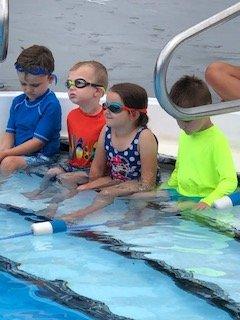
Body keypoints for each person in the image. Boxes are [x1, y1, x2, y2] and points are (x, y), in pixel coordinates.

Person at [61, 82, 160, 221]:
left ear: (134, 114)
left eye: (114, 108)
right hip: (115, 178)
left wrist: (114, 189)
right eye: (105, 106)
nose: (106, 111)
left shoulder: (144, 137)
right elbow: (97, 167)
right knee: (69, 179)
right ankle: (60, 206)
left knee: (107, 193)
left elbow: (148, 183)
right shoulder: (107, 130)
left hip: (136, 182)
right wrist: (91, 184)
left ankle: (79, 215)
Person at [25, 60, 108, 216]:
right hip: (74, 164)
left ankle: (52, 208)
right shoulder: (72, 116)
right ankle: (39, 193)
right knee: (51, 172)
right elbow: (73, 148)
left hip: (94, 170)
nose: (72, 88)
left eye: (79, 83)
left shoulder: (106, 121)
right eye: (69, 83)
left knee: (66, 179)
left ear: (98, 92)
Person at [165, 75, 238, 210]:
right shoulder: (185, 135)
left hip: (203, 199)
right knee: (140, 199)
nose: (182, 125)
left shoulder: (216, 140)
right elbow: (179, 170)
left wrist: (207, 201)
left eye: (187, 120)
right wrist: (165, 189)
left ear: (207, 109)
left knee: (165, 212)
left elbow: (230, 181)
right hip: (181, 195)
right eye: (178, 119)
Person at [0, 45, 61, 175]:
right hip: (19, 152)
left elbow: (37, 143)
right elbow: (10, 133)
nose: (28, 89)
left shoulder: (51, 105)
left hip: (43, 158)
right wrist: (2, 151)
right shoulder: (18, 102)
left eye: (34, 85)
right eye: (23, 84)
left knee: (8, 162)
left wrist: (5, 154)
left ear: (50, 79)